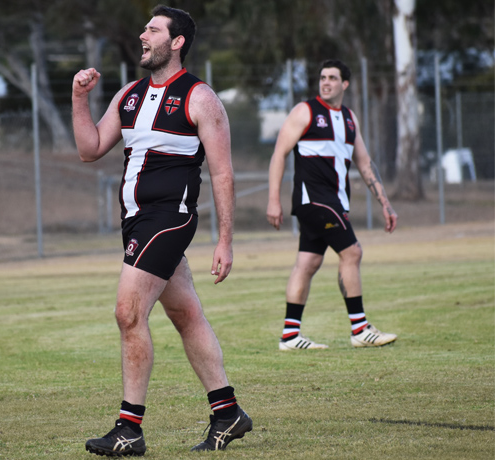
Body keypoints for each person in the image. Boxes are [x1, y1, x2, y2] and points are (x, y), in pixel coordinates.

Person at [72, 5, 252, 456]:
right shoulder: (129, 95)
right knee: (186, 314)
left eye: (153, 30)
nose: (142, 35)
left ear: (177, 42)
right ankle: (228, 413)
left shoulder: (200, 98)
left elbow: (223, 173)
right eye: (144, 28)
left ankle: (129, 428)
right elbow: (90, 148)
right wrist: (78, 98)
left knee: (128, 313)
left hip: (170, 218)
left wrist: (225, 241)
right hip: (136, 220)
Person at [266, 59, 398, 351]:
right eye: (323, 77)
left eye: (332, 78)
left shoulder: (350, 118)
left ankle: (290, 336)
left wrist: (386, 204)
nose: (326, 82)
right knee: (352, 252)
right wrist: (273, 199)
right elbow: (279, 154)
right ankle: (360, 328)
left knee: (308, 262)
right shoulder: (305, 111)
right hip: (314, 200)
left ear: (345, 84)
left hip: (335, 201)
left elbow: (365, 164)